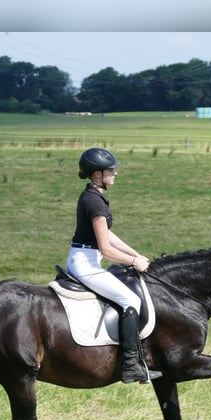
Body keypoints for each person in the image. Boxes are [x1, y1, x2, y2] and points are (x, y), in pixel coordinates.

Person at [66, 147, 162, 384]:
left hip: (86, 258)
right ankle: (130, 365)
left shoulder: (93, 196)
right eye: (111, 170)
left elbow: (108, 234)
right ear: (97, 174)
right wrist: (133, 262)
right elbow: (106, 249)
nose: (115, 173)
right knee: (131, 301)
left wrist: (136, 253)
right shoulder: (95, 202)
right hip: (86, 264)